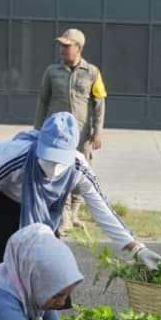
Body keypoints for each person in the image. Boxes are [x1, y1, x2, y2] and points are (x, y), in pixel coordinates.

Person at [0, 112, 161, 276]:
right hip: (0, 197)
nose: (53, 168)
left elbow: (102, 210)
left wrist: (136, 248)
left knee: (46, 267)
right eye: (48, 158)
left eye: (60, 160)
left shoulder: (80, 168)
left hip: (41, 208)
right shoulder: (16, 156)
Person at [35, 28, 107, 231]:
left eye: (67, 46)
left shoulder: (92, 72)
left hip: (82, 134)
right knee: (59, 171)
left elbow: (99, 103)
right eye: (61, 46)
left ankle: (75, 210)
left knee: (83, 172)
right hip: (56, 137)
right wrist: (37, 130)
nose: (62, 50)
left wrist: (97, 131)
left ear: (79, 48)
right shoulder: (51, 72)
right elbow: (42, 101)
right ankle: (63, 213)